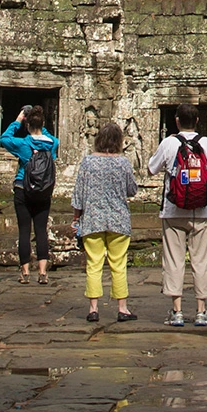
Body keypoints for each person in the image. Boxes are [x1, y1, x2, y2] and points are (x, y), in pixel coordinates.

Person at [147, 105, 207, 326]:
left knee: (174, 260)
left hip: (173, 210)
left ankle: (177, 310)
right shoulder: (206, 143)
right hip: (201, 211)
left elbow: (151, 169)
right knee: (202, 260)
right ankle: (201, 310)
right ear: (198, 120)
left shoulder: (169, 143)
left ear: (177, 121)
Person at [72, 121, 137, 323]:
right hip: (118, 219)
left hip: (93, 219)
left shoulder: (88, 162)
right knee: (119, 264)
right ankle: (122, 308)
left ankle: (93, 308)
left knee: (94, 264)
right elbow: (132, 190)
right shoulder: (123, 163)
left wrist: (76, 217)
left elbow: (78, 194)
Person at [0, 105, 59, 284]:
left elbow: (4, 138)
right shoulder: (52, 143)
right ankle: (43, 272)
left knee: (24, 231)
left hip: (22, 188)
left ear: (28, 125)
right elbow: (48, 137)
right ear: (42, 124)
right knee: (41, 230)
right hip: (43, 191)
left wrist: (19, 120)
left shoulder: (23, 144)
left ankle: (25, 273)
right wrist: (41, 126)